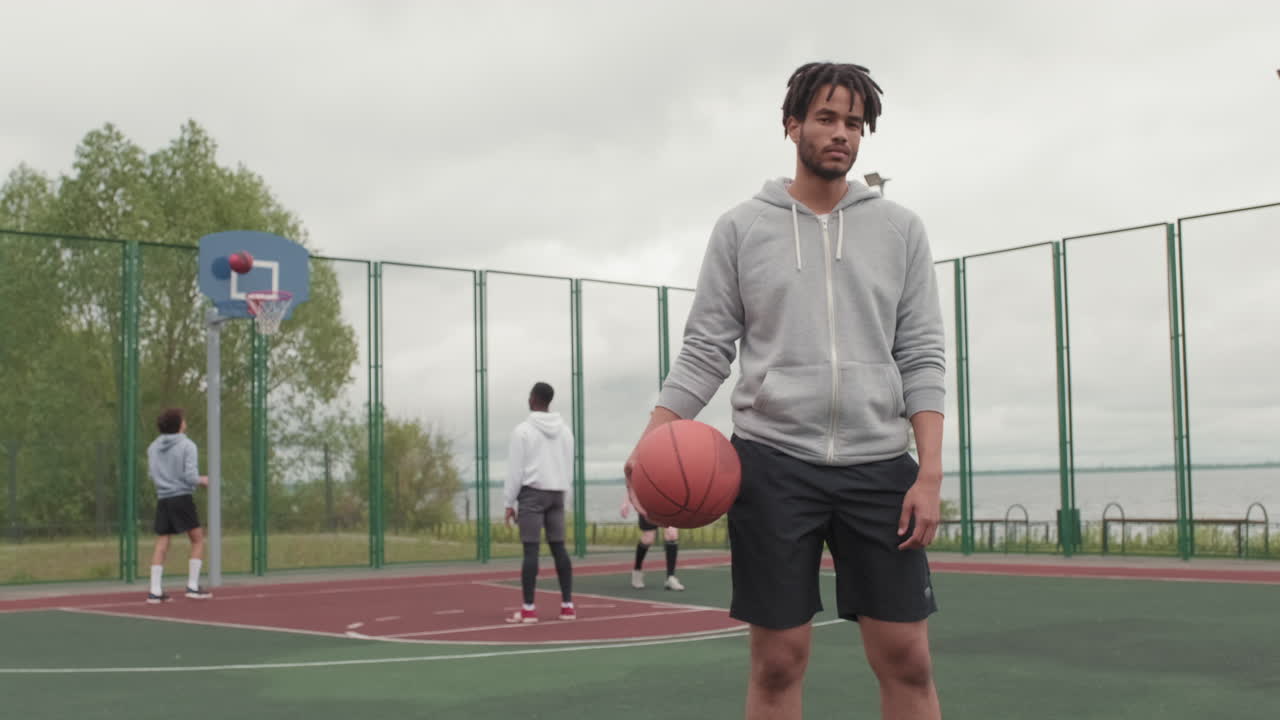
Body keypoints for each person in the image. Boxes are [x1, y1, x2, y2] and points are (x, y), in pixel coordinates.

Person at [624, 62, 946, 719]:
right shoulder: (742, 229)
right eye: (827, 118)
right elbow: (706, 348)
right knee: (777, 665)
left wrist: (930, 474)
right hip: (772, 465)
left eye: (854, 123)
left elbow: (921, 354)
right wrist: (654, 436)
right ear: (791, 124)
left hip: (880, 466)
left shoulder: (901, 231)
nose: (841, 134)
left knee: (909, 662)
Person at [503, 382, 576, 623]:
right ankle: (567, 606)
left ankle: (529, 609)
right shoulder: (565, 431)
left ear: (533, 399)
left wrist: (509, 502)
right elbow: (569, 466)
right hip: (557, 492)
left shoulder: (523, 430)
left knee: (531, 550)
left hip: (532, 494)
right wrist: (566, 495)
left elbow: (516, 469)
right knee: (559, 548)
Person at [146, 408, 213, 603]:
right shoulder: (187, 445)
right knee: (198, 540)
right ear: (179, 424)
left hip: (163, 498)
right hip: (182, 497)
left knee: (162, 542)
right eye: (183, 419)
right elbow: (190, 477)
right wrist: (204, 480)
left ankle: (155, 590)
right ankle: (192, 586)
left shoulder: (152, 447)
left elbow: (152, 474)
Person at [619, 497, 684, 591]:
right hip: (648, 500)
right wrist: (626, 503)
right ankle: (637, 571)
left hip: (668, 501)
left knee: (672, 534)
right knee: (648, 539)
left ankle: (671, 577)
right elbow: (631, 483)